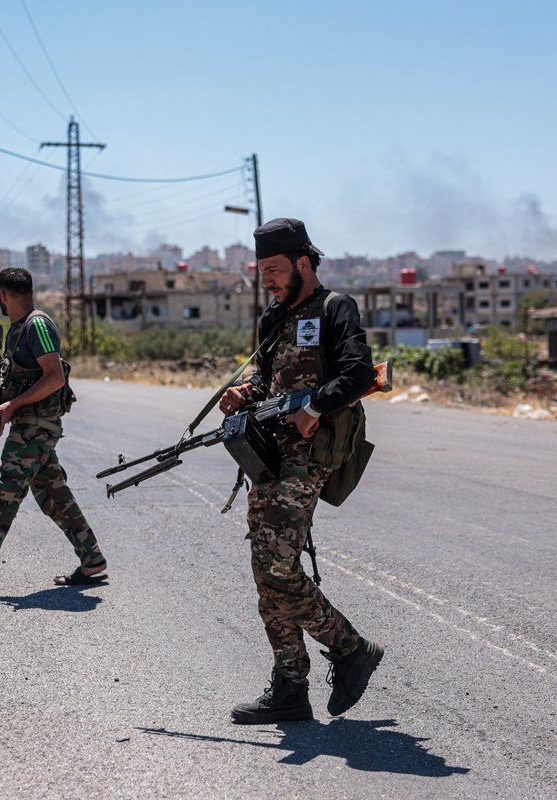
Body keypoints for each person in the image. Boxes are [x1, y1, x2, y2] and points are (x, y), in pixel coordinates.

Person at [221, 217, 384, 724]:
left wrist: (314, 408)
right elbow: (270, 382)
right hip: (271, 453)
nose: (266, 280)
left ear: (303, 263)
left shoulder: (335, 308)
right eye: (261, 271)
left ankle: (350, 647)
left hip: (310, 456)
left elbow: (359, 374)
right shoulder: (273, 317)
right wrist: (244, 394)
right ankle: (290, 686)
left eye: (274, 270)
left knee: (278, 567)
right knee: (266, 571)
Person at [0, 268, 108, 596]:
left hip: (35, 428)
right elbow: (28, 370)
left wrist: (12, 406)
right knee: (53, 494)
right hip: (31, 427)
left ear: (3, 295)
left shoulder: (36, 324)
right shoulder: (18, 328)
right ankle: (92, 559)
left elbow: (54, 377)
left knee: (4, 496)